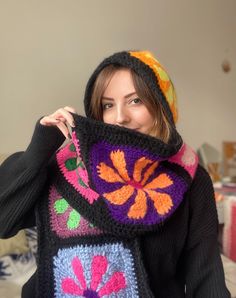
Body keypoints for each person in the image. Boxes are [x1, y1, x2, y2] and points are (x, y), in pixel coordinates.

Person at [0, 50, 230, 298]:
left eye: (135, 101)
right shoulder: (68, 170)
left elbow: (207, 277)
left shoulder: (190, 179)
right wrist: (40, 147)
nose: (120, 117)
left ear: (163, 106)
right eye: (108, 105)